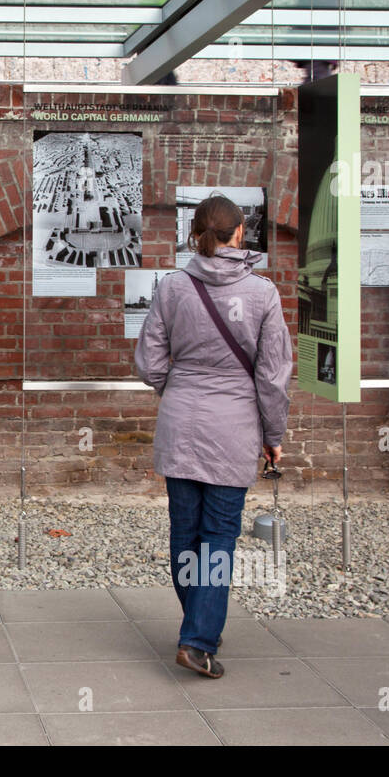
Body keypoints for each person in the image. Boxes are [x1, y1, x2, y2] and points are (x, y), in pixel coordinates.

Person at [134, 194, 292, 679]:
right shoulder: (263, 294)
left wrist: (178, 388)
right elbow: (272, 376)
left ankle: (198, 622)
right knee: (219, 536)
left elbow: (148, 361)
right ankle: (198, 638)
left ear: (196, 232)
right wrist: (274, 434)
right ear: (239, 233)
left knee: (185, 533)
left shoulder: (173, 287)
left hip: (181, 421)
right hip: (235, 426)